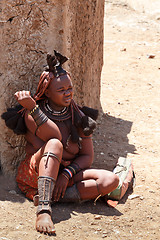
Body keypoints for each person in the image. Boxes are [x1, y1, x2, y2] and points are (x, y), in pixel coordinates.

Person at [12, 51, 119, 235]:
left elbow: (87, 156)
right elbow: (55, 137)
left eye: (69, 88)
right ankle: (44, 209)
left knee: (111, 180)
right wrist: (32, 107)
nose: (68, 94)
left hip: (66, 176)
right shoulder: (33, 115)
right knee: (55, 145)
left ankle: (55, 196)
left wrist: (66, 174)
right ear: (47, 92)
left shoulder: (77, 115)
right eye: (61, 90)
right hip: (37, 173)